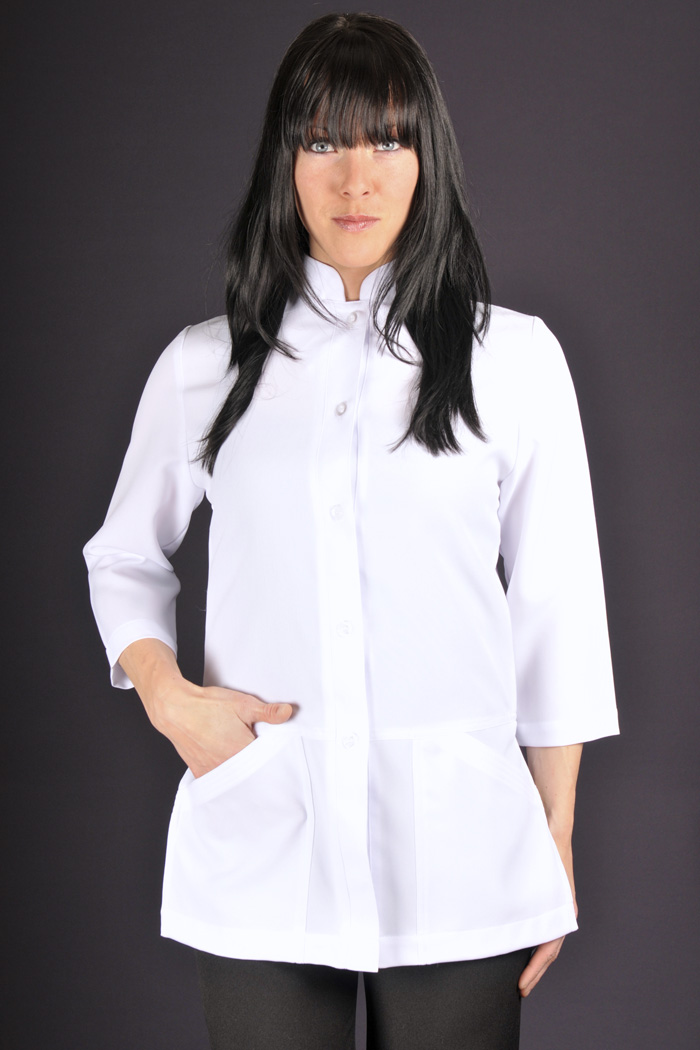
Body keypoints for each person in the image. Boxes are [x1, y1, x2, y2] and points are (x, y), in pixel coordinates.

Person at [83, 11, 620, 1050]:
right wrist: (169, 699)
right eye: (323, 141)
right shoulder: (204, 366)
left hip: (462, 849)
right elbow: (123, 557)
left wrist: (552, 832)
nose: (356, 178)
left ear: (428, 160)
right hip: (266, 833)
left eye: (388, 140)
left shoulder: (513, 362)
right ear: (284, 163)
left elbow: (558, 606)